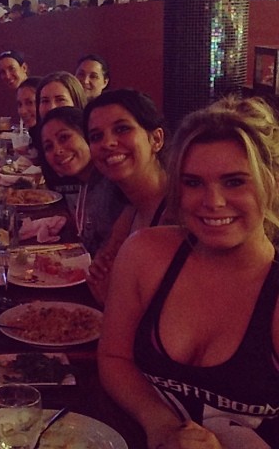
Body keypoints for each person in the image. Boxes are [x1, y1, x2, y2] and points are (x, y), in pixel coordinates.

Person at [99, 96, 279, 448]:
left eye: (234, 182)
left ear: (270, 184)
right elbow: (114, 357)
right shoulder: (144, 254)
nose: (213, 202)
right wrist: (161, 424)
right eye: (193, 182)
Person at [84, 89, 168, 305]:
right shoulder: (129, 212)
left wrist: (114, 298)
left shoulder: (181, 213)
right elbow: (103, 283)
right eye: (96, 136)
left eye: (122, 129)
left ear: (156, 139)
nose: (107, 143)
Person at [40, 106, 127, 255]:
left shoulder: (110, 187)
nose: (57, 150)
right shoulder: (87, 182)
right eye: (49, 147)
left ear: (87, 136)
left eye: (64, 137)